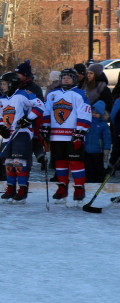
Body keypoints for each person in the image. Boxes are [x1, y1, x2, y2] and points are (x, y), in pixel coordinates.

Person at [41, 68, 91, 204]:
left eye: (69, 77)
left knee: (76, 162)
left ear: (74, 79)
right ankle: (62, 187)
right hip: (56, 136)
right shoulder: (53, 94)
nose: (66, 79)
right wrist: (45, 128)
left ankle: (79, 188)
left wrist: (80, 131)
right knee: (60, 162)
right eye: (64, 77)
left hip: (73, 135)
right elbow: (46, 112)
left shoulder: (80, 94)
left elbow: (85, 113)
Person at [0, 72, 45, 203]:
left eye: (5, 84)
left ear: (12, 84)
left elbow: (40, 105)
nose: (2, 86)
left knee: (19, 161)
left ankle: (22, 188)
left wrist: (28, 119)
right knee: (8, 161)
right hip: (9, 134)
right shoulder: (1, 99)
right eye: (1, 84)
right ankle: (10, 187)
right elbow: (1, 117)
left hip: (22, 132)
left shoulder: (23, 94)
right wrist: (1, 127)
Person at [84, 100, 111, 183]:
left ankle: (99, 180)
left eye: (96, 113)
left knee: (98, 166)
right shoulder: (88, 123)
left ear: (101, 114)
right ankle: (89, 180)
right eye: (93, 112)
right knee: (88, 167)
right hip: (87, 150)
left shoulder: (103, 125)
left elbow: (107, 138)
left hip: (98, 150)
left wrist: (106, 149)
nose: (94, 114)